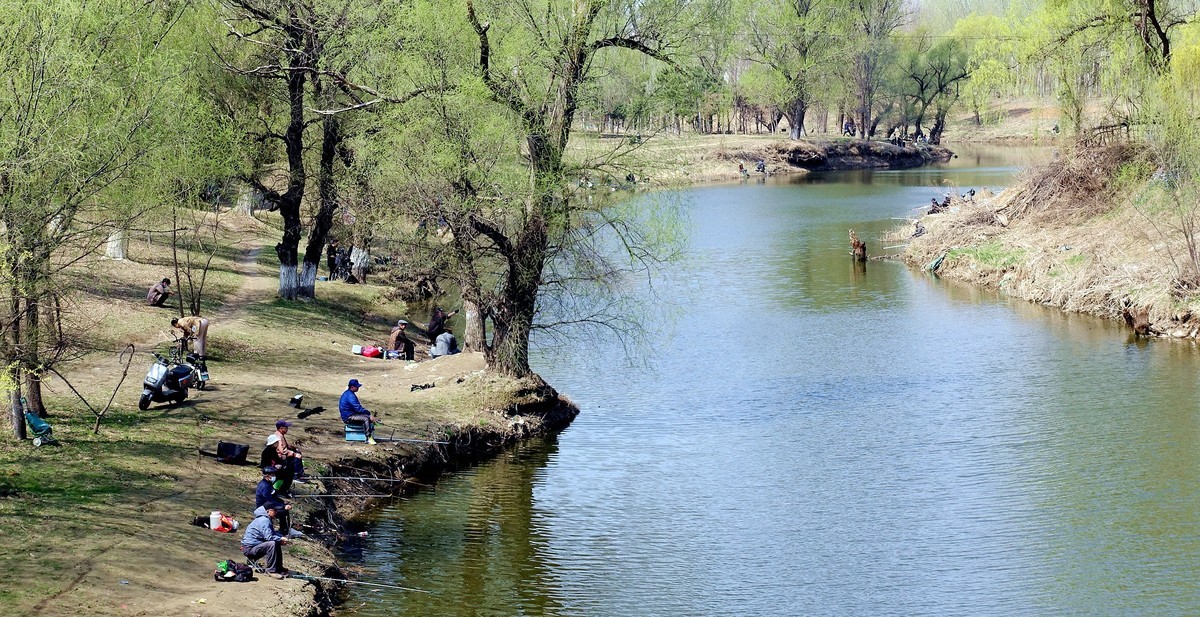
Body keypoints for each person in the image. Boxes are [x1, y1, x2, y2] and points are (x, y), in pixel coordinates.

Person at [241, 505, 289, 578]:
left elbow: (272, 533)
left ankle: (278, 567)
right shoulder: (264, 520)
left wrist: (280, 538)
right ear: (267, 511)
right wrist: (280, 539)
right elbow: (269, 537)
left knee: (276, 542)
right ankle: (271, 571)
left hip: (255, 546)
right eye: (274, 511)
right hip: (249, 549)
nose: (276, 512)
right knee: (272, 543)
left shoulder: (266, 519)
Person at [267, 420, 306, 493]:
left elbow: (285, 446)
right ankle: (297, 475)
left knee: (298, 452)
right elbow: (282, 451)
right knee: (297, 457)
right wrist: (294, 454)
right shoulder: (278, 437)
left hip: (284, 455)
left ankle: (300, 473)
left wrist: (293, 448)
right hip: (281, 457)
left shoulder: (281, 435)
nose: (287, 429)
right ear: (281, 428)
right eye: (286, 427)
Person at [339, 379, 379, 445]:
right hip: (348, 417)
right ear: (352, 387)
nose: (358, 388)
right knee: (365, 419)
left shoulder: (349, 394)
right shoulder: (350, 396)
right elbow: (358, 409)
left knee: (367, 417)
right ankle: (369, 438)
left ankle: (370, 433)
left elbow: (357, 409)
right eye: (357, 386)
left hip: (352, 414)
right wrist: (369, 414)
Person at [255, 466, 293, 533]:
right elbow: (269, 501)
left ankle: (285, 529)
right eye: (272, 475)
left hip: (269, 504)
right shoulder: (264, 486)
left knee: (284, 510)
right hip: (264, 508)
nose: (274, 476)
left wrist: (282, 502)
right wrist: (283, 506)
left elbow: (273, 497)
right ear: (267, 476)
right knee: (283, 511)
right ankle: (283, 530)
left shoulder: (268, 484)